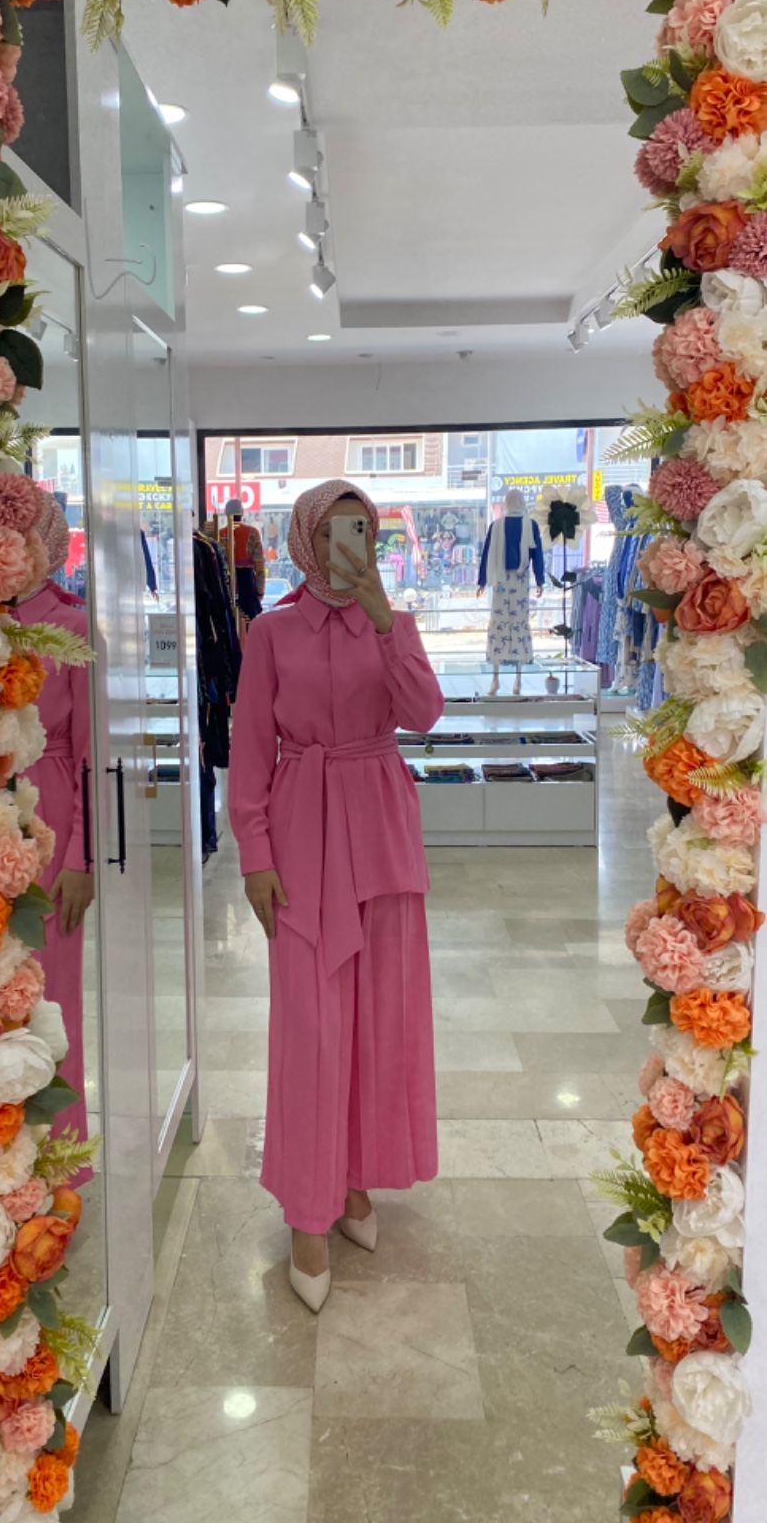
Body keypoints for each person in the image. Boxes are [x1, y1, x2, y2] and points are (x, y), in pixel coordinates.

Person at [228, 479, 444, 1313]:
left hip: (382, 828)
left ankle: (357, 1178)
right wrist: (255, 853)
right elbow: (251, 748)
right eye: (332, 531)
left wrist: (387, 621)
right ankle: (306, 1211)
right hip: (304, 830)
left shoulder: (394, 623)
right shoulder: (271, 632)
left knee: (379, 1019)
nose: (347, 544)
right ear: (305, 538)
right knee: (312, 1027)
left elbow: (424, 713)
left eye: (361, 530)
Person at [13, 494, 94, 1175]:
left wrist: (82, 856)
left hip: (53, 814)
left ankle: (58, 1162)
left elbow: (95, 755)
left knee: (53, 994)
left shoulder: (71, 625)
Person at [476, 489, 545, 696]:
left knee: (498, 623)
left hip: (500, 579)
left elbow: (487, 555)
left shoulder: (497, 525)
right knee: (519, 623)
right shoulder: (530, 524)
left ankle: (495, 679)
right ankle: (518, 680)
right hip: (521, 580)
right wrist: (540, 580)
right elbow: (537, 555)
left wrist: (482, 581)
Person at [220, 499, 266, 621]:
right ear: (242, 512)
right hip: (247, 583)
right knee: (247, 624)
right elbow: (259, 566)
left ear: (226, 513)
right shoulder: (252, 533)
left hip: (225, 584)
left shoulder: (219, 535)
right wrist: (260, 591)